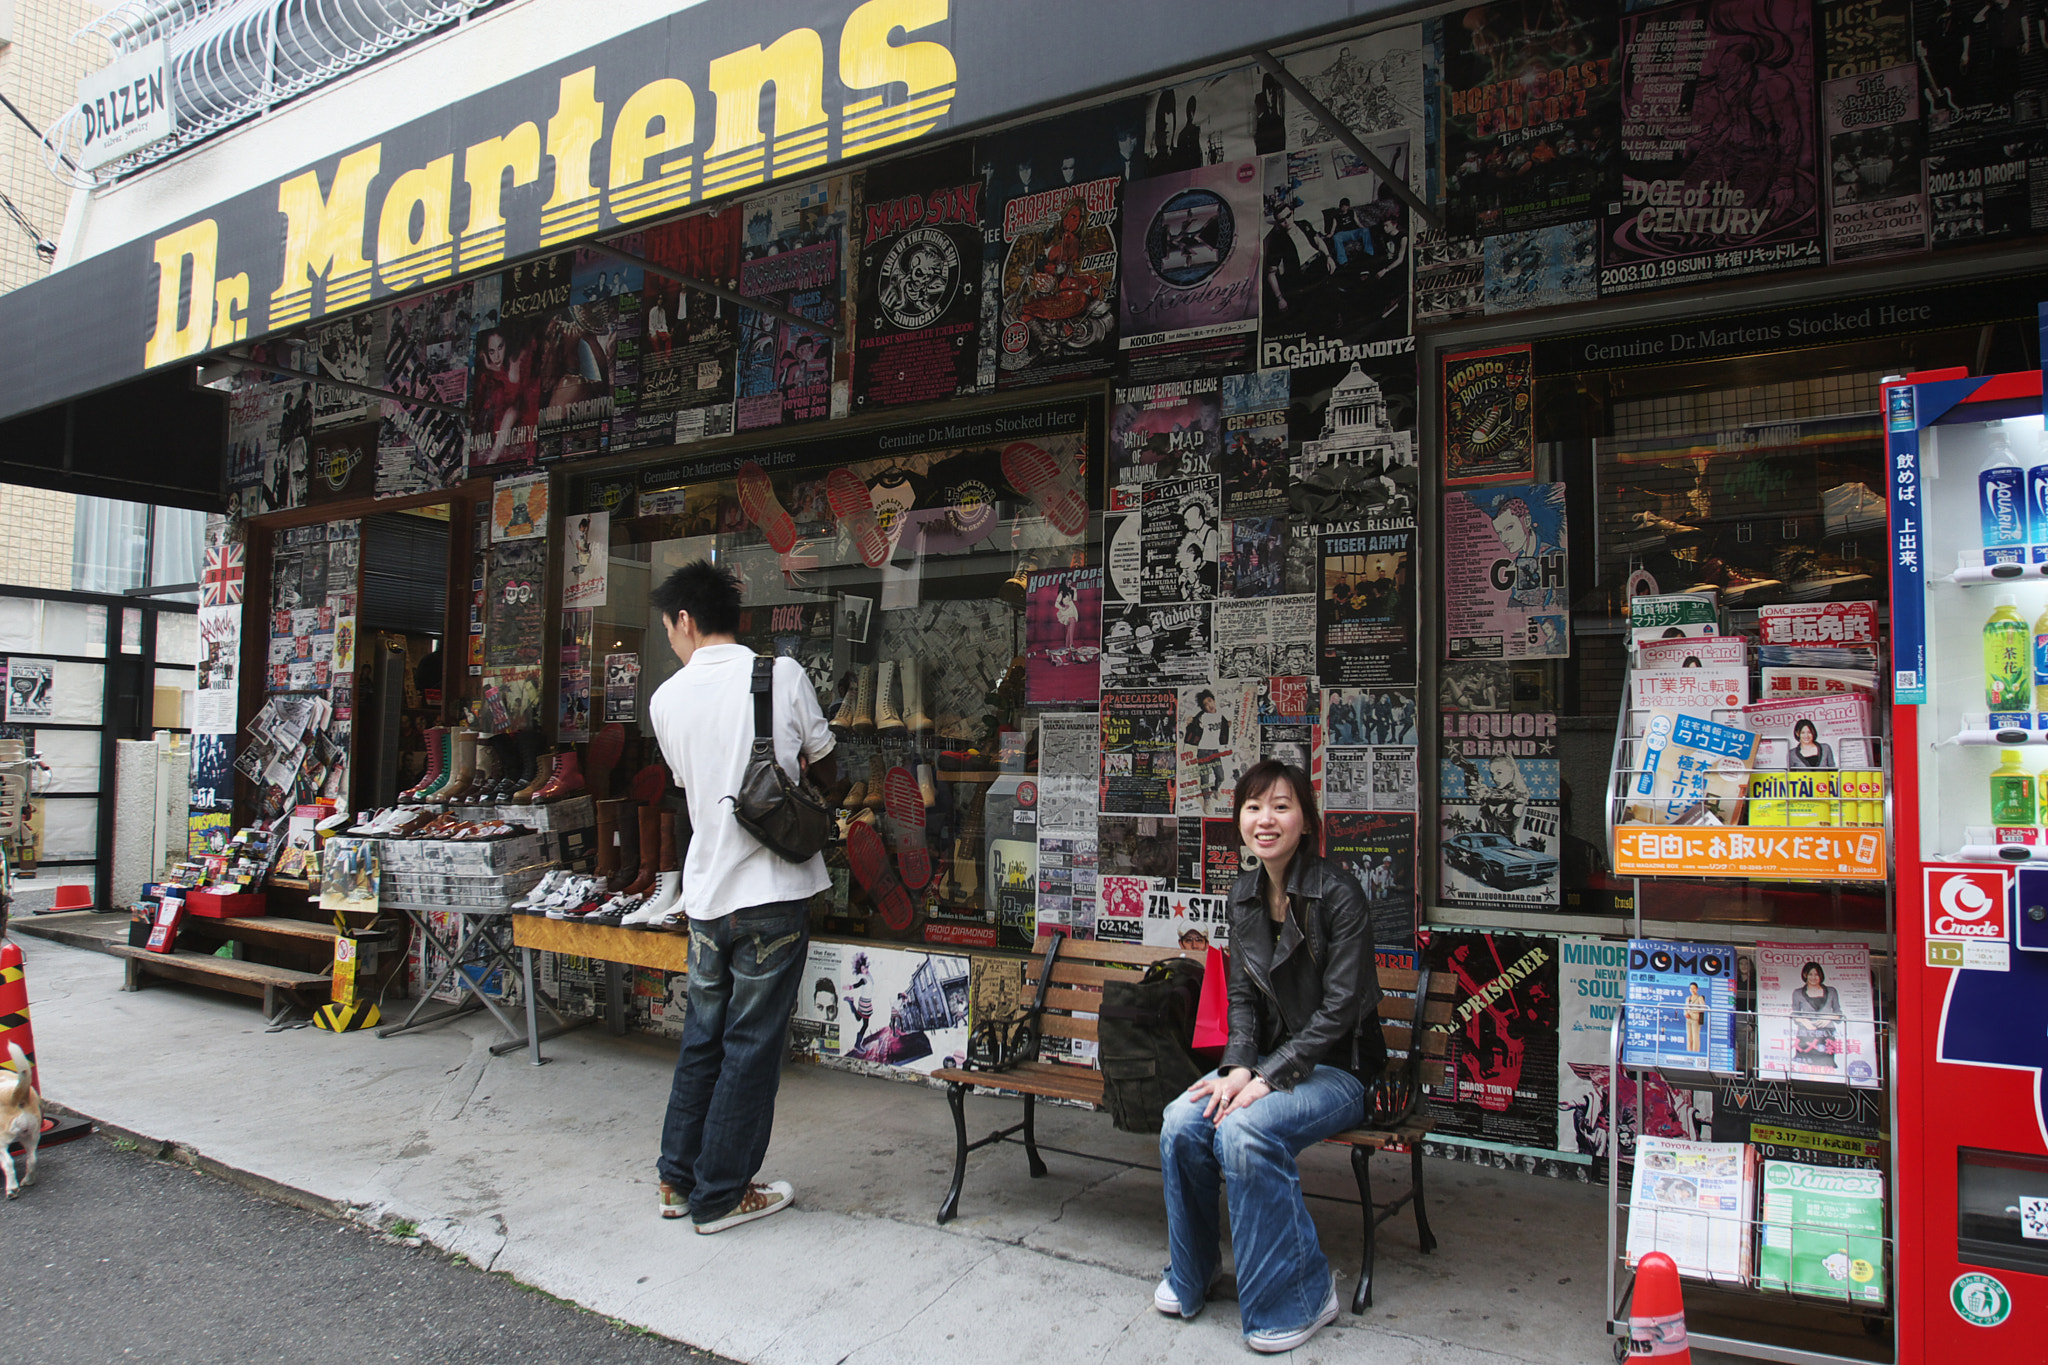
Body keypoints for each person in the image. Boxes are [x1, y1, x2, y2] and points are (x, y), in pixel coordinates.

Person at [1157, 760, 1384, 1353]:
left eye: (1282, 806)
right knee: (1183, 1118)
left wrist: (1265, 1077)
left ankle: (1303, 1296)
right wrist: (1236, 1068)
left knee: (1244, 1133)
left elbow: (1340, 1009)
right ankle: (1193, 1271)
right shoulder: (1244, 895)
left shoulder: (1339, 894)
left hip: (1339, 1070)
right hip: (1269, 1065)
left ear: (1305, 819)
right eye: (1254, 806)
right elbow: (1240, 999)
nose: (1267, 819)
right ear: (1240, 819)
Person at [649, 560, 840, 1234]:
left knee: (702, 1036)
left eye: (669, 627)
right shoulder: (779, 675)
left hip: (706, 896)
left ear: (685, 620)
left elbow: (691, 787)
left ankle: (679, 1177)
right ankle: (723, 1192)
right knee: (751, 1045)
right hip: (773, 892)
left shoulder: (665, 700)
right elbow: (827, 763)